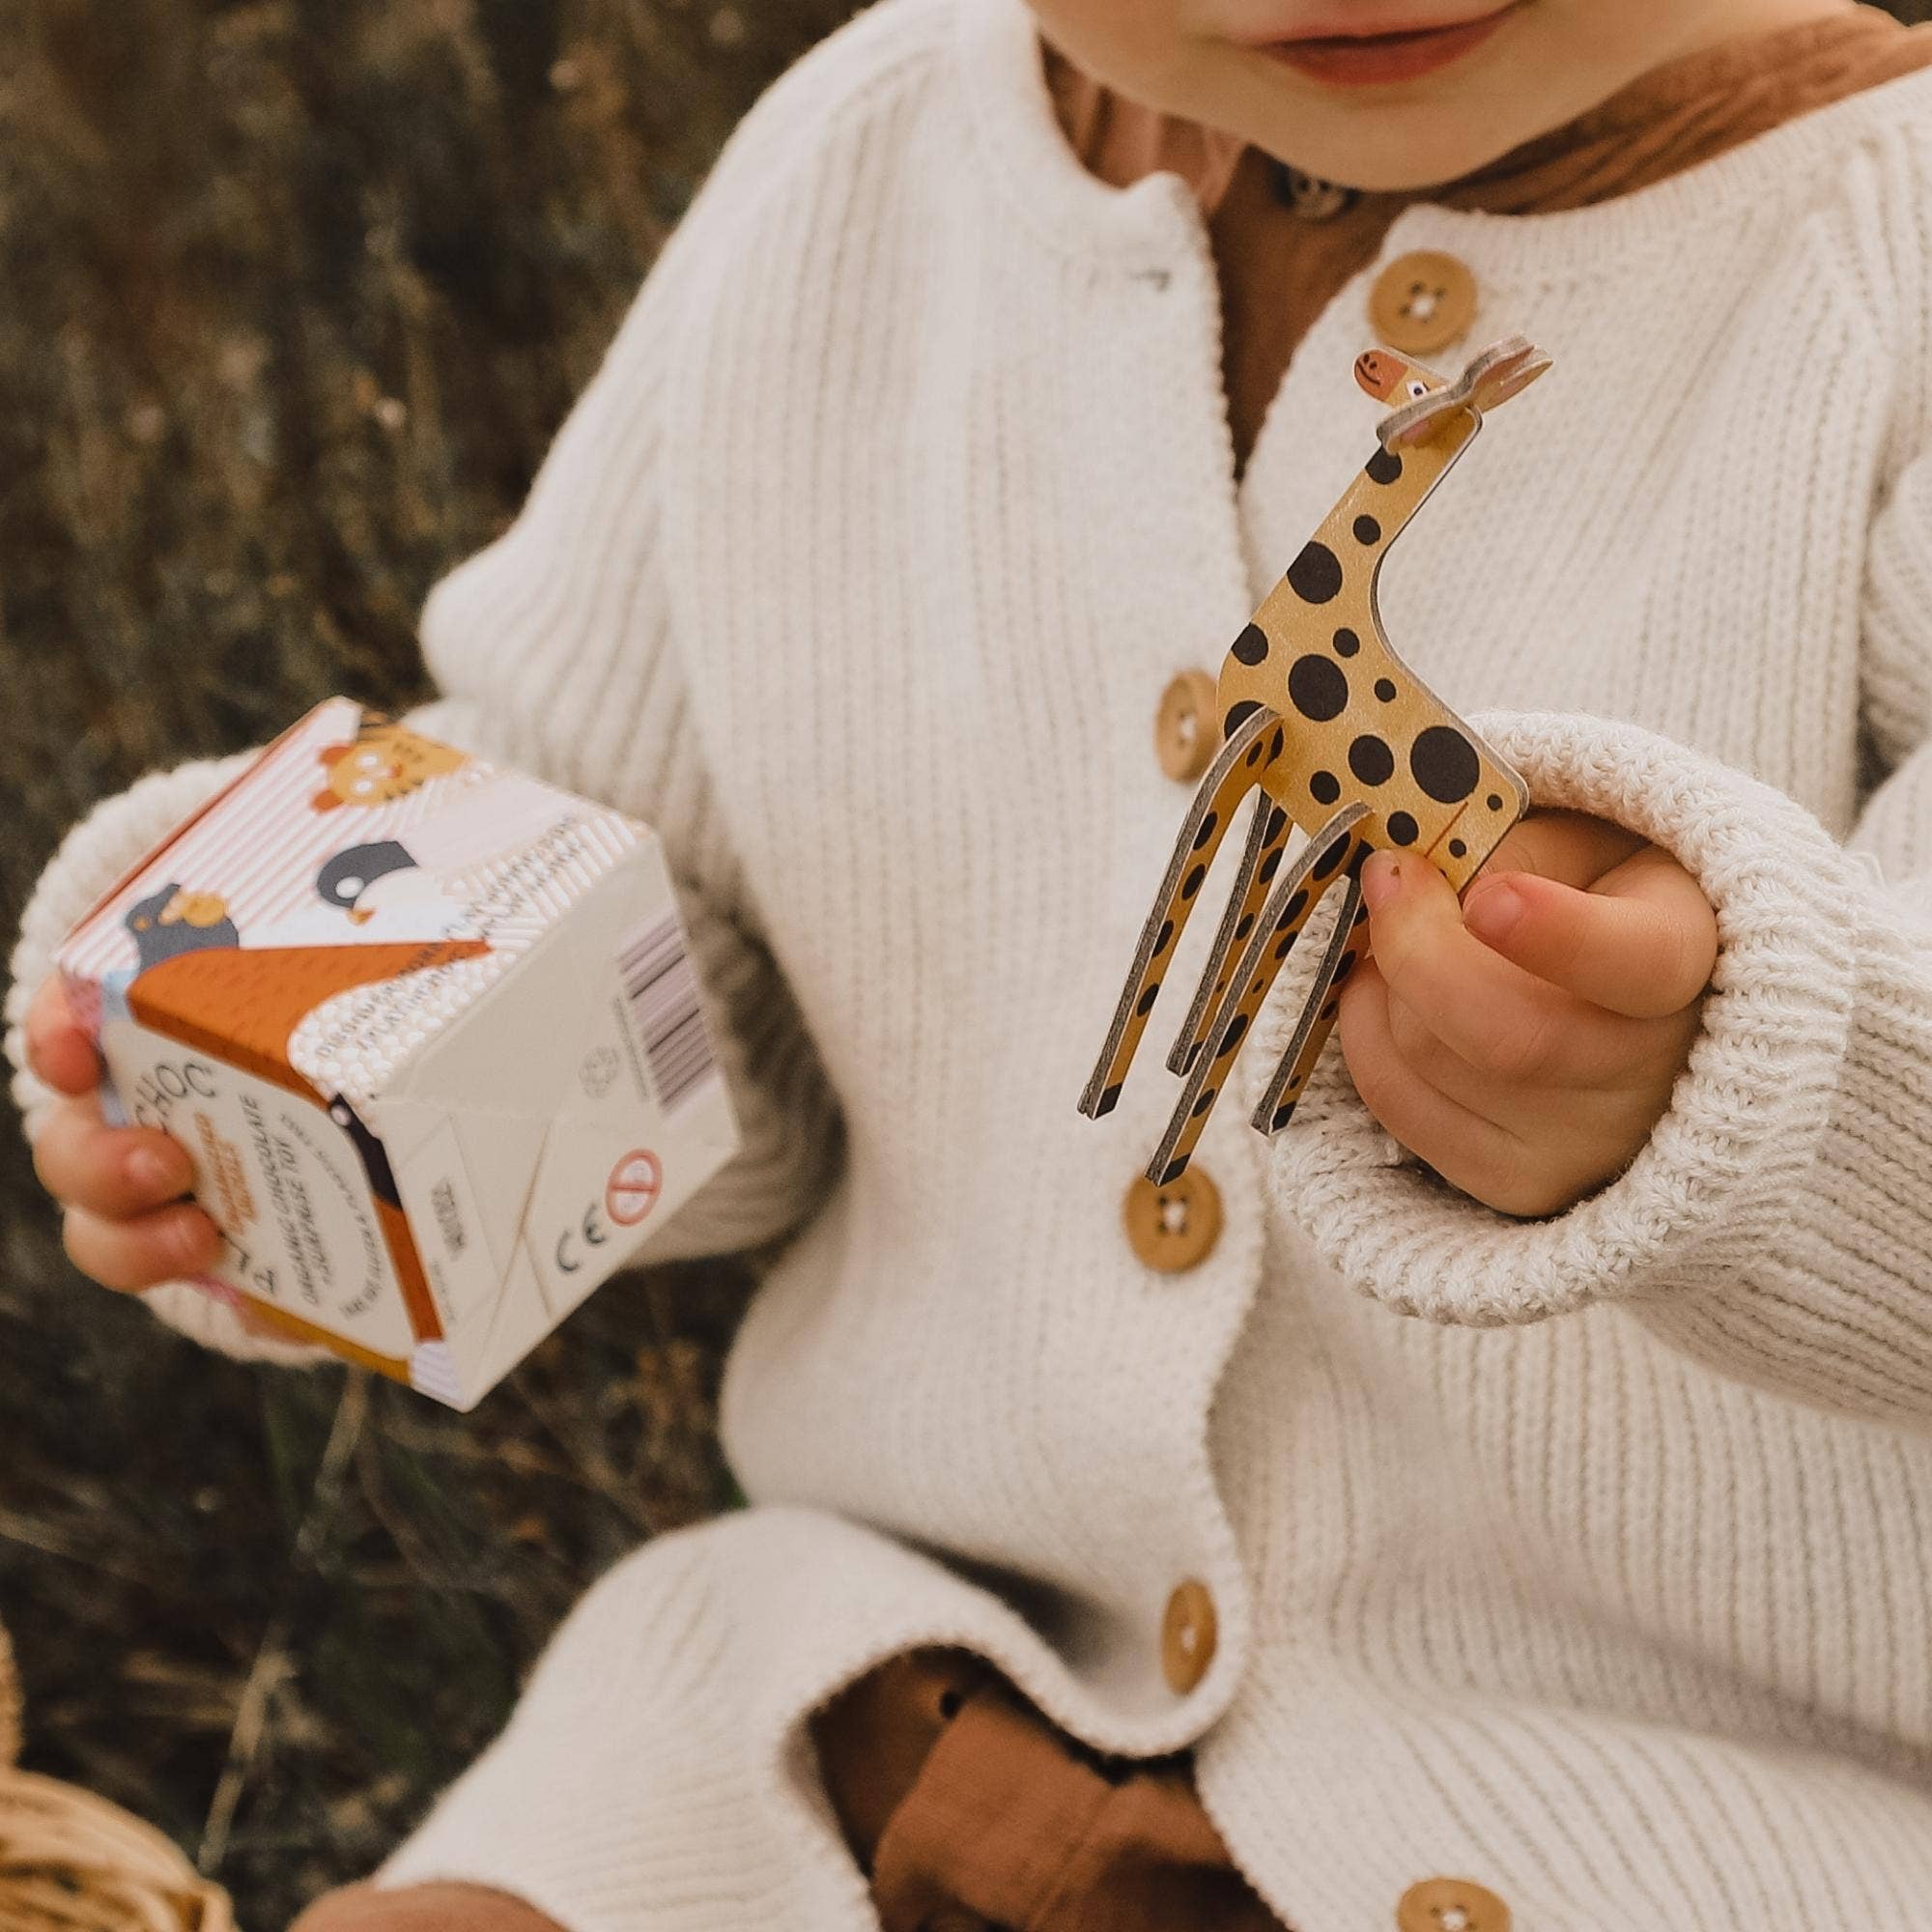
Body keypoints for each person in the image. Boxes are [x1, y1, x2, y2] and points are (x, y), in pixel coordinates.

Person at [11, 0, 1932, 1923]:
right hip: (861, 1716)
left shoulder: (1890, 262)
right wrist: (297, 1069)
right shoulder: (863, 182)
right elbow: (660, 920)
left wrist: (1733, 1084)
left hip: (1687, 1818)